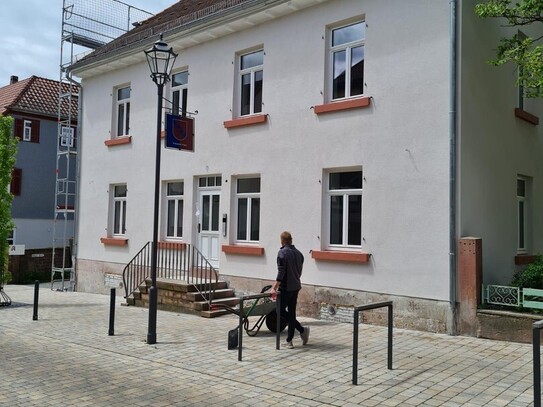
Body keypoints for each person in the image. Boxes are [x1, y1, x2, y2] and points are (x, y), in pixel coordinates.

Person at [270, 231, 309, 349]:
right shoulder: (299, 254)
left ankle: (300, 331)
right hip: (296, 286)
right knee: (291, 313)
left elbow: (281, 272)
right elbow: (299, 272)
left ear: (282, 241)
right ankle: (291, 339)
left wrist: (274, 287)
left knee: (280, 311)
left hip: (286, 288)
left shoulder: (282, 253)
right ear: (291, 240)